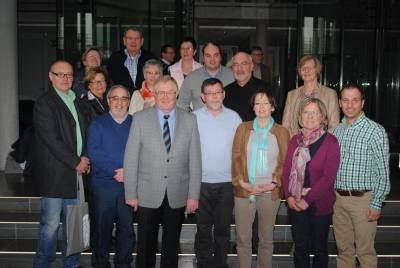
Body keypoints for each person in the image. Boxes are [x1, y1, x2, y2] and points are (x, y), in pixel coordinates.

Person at [124, 75, 202, 268]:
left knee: (171, 245)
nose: (165, 96)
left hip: (177, 192)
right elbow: (131, 158)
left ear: (177, 94)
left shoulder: (190, 120)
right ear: (154, 94)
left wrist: (193, 195)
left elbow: (195, 160)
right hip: (146, 192)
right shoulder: (140, 119)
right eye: (161, 92)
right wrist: (130, 193)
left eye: (170, 92)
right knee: (145, 245)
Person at [33, 60, 92, 268]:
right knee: (50, 226)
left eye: (69, 75)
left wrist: (85, 157)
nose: (66, 79)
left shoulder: (76, 100)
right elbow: (51, 139)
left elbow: (84, 133)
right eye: (61, 74)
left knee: (73, 224)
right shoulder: (44, 103)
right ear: (51, 76)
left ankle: (72, 264)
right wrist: (76, 161)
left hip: (75, 174)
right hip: (55, 175)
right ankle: (42, 264)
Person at [333, 83, 390, 268]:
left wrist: (376, 202)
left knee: (365, 253)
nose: (350, 105)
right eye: (346, 100)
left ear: (362, 103)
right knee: (343, 252)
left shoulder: (375, 131)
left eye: (355, 100)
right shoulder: (336, 131)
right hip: (338, 201)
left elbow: (383, 172)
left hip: (363, 201)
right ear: (340, 103)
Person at [232, 89, 289, 268]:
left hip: (270, 191)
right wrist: (243, 183)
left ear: (273, 107)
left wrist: (273, 183)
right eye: (258, 103)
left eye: (266, 103)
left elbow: (285, 161)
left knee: (266, 238)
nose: (261, 107)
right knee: (243, 237)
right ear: (253, 107)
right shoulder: (243, 128)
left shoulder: (281, 131)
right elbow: (236, 157)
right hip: (244, 190)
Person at [282, 98, 340, 268]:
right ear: (300, 116)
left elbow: (328, 177)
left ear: (322, 116)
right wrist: (290, 197)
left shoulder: (331, 142)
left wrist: (307, 200)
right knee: (300, 248)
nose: (310, 116)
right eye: (306, 112)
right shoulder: (294, 140)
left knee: (320, 248)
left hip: (319, 204)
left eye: (315, 112)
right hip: (295, 203)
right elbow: (286, 171)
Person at [193, 78, 242, 268]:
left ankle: (221, 263)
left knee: (223, 228)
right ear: (202, 97)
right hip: (201, 183)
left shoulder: (234, 117)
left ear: (224, 94)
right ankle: (203, 262)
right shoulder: (193, 117)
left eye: (218, 92)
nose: (214, 96)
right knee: (203, 227)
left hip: (226, 183)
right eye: (210, 93)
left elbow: (241, 151)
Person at [87, 85, 135, 268]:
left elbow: (142, 151)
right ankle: (100, 264)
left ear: (129, 102)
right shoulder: (97, 123)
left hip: (128, 187)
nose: (119, 102)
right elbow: (94, 151)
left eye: (124, 98)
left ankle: (124, 264)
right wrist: (116, 172)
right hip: (103, 186)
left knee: (127, 231)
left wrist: (129, 173)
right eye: (115, 98)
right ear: (108, 101)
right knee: (101, 230)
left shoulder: (135, 123)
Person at [282, 55, 340, 137]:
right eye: (303, 68)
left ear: (317, 70)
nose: (306, 71)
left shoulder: (330, 94)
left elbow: (334, 126)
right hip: (296, 144)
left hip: (321, 145)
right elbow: (285, 125)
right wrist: (293, 142)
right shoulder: (291, 95)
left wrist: (322, 143)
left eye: (310, 68)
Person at [178, 41, 234, 111]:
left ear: (220, 57)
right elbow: (181, 105)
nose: (212, 59)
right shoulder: (191, 78)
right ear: (203, 57)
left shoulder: (232, 76)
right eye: (208, 56)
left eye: (216, 55)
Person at [107, 27, 156, 94]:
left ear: (142, 41)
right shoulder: (114, 59)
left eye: (137, 39)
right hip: (121, 100)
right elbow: (109, 82)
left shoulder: (151, 59)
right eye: (130, 38)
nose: (133, 41)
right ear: (124, 40)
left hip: (146, 100)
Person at [224, 51, 269, 122]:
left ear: (251, 67)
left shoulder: (265, 88)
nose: (239, 68)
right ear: (232, 68)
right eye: (235, 64)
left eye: (243, 64)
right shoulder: (225, 91)